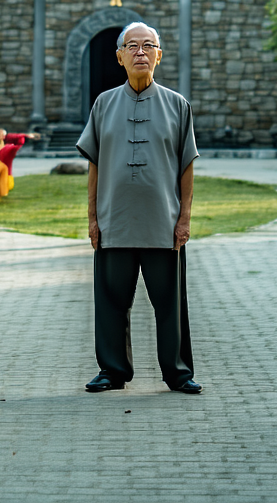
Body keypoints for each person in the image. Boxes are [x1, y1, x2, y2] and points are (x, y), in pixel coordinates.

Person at [77, 22, 200, 395]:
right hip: (115, 222)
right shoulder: (103, 104)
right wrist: (93, 217)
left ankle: (178, 373)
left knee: (169, 304)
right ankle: (112, 372)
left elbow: (187, 165)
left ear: (160, 55)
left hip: (163, 224)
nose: (141, 52)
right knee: (112, 302)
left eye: (149, 46)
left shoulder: (178, 105)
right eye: (132, 46)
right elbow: (94, 163)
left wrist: (184, 219)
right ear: (119, 57)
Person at [0, 128, 41, 203]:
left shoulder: (7, 147)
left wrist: (25, 135)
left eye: (3, 135)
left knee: (5, 185)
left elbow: (13, 138)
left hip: (3, 170)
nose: (2, 137)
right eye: (0, 135)